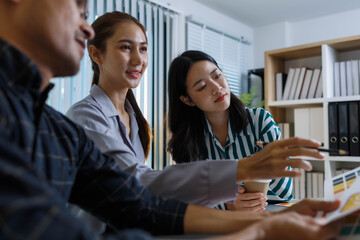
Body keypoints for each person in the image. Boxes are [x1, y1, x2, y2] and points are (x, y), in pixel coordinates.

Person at [0, 0, 343, 239]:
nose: (86, 28)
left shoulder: (60, 128)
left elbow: (141, 204)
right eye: (125, 47)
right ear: (186, 99)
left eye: (144, 47)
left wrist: (273, 218)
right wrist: (249, 201)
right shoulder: (78, 120)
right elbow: (140, 190)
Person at [67, 11, 318, 212]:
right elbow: (137, 182)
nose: (138, 59)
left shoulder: (133, 117)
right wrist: (234, 191)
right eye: (125, 47)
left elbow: (281, 189)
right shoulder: (86, 117)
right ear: (96, 53)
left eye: (143, 48)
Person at [167, 50, 292, 211]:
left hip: (267, 220)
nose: (217, 88)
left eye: (217, 76)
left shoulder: (260, 121)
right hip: (217, 227)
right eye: (202, 86)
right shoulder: (188, 141)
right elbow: (190, 197)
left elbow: (283, 191)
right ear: (187, 100)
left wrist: (226, 196)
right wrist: (227, 203)